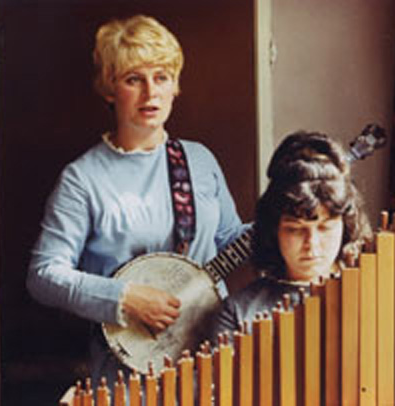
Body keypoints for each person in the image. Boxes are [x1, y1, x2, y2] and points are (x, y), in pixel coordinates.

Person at [26, 14, 246, 383]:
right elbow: (43, 275)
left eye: (162, 77)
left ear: (175, 86)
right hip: (128, 370)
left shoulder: (199, 160)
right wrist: (124, 298)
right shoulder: (82, 179)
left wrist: (287, 218)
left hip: (207, 354)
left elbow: (231, 239)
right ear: (109, 89)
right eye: (133, 79)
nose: (150, 92)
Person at [208, 131, 373, 341]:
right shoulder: (237, 312)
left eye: (325, 228)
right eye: (295, 229)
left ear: (345, 226)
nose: (312, 244)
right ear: (273, 230)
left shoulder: (373, 294)